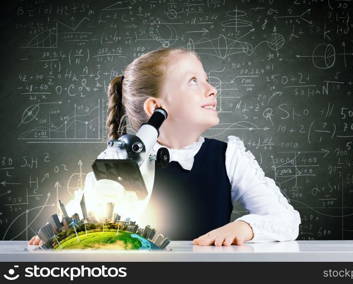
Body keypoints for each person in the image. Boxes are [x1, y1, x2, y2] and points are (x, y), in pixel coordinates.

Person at [29, 48, 300, 247]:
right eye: (193, 81)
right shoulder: (120, 158)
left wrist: (247, 227)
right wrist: (63, 233)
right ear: (156, 108)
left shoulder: (230, 157)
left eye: (206, 79)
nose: (212, 89)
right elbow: (87, 218)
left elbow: (286, 220)